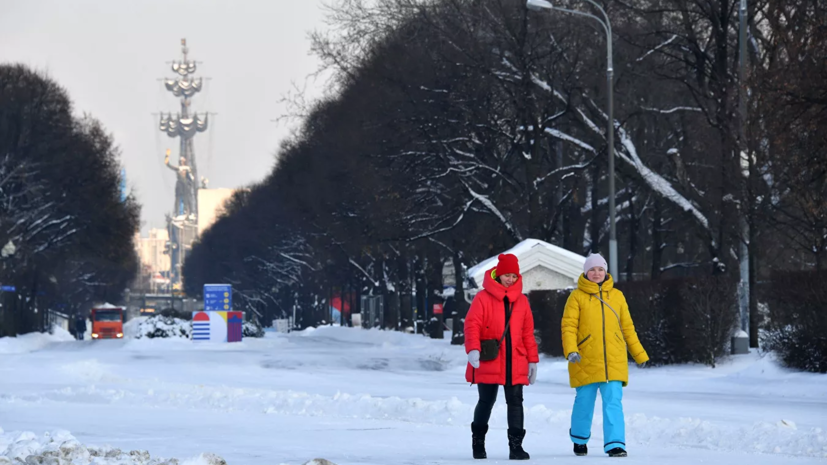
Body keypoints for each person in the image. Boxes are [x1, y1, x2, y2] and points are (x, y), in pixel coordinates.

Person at [561, 253, 649, 458]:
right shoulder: (576, 297)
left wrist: (639, 354)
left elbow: (627, 327)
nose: (596, 273)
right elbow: (568, 326)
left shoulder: (617, 296)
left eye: (600, 269)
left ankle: (615, 444)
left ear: (606, 271)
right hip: (584, 359)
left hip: (614, 360)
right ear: (585, 272)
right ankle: (579, 438)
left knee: (613, 403)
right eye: (592, 269)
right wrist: (571, 350)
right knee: (584, 402)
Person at [465, 253, 539, 460]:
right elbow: (472, 325)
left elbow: (527, 333)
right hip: (490, 358)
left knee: (516, 402)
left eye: (514, 276)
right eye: (507, 275)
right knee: (486, 401)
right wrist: (472, 349)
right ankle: (478, 442)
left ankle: (516, 447)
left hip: (515, 360)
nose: (510, 279)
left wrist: (533, 360)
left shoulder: (522, 301)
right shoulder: (482, 298)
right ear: (498, 275)